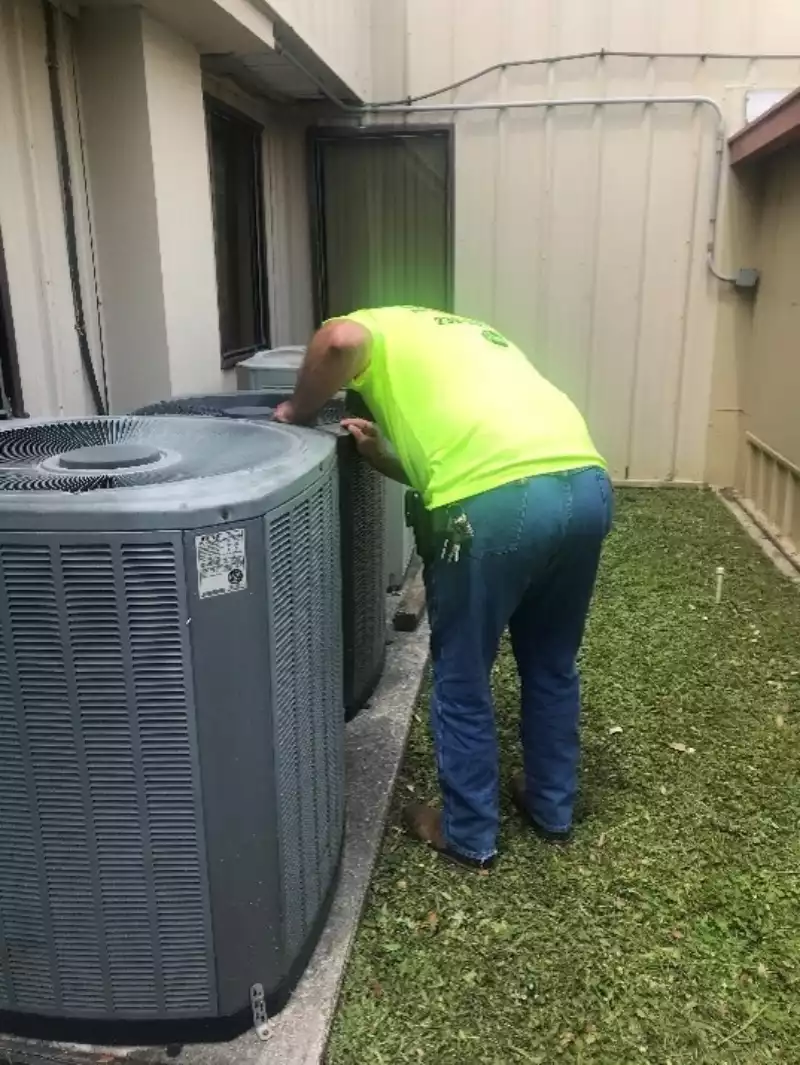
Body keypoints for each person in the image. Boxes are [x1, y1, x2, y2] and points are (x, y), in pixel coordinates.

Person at [274, 306, 612, 871]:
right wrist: (383, 455)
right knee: (552, 661)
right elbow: (468, 462)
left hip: (500, 505)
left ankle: (469, 832)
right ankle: (552, 806)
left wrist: (295, 409)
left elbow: (338, 341)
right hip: (587, 485)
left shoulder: (367, 327)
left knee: (462, 673)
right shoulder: (472, 337)